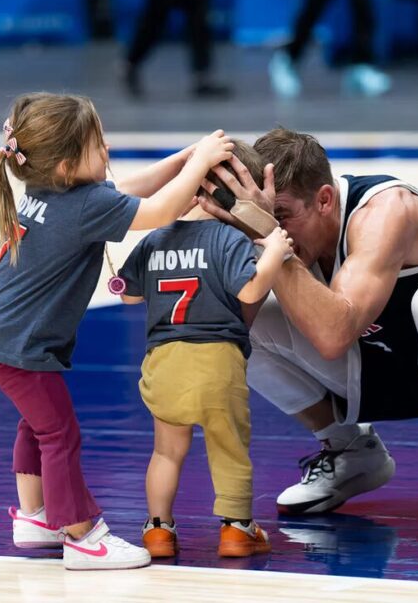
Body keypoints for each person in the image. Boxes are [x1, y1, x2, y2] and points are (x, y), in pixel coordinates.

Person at [197, 127, 418, 533]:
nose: (275, 228)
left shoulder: (387, 210)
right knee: (225, 319)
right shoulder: (286, 231)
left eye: (281, 216)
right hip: (384, 358)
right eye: (266, 216)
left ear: (325, 200)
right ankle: (350, 451)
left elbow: (334, 334)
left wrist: (268, 236)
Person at [0, 91, 235, 570]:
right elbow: (158, 212)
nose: (106, 151)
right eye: (98, 144)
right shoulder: (82, 206)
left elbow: (126, 191)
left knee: (39, 423)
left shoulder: (51, 192)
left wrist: (187, 159)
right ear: (66, 166)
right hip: (15, 345)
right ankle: (82, 536)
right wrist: (201, 163)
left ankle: (35, 516)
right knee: (60, 433)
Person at [118, 141, 293, 559]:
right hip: (217, 360)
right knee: (228, 446)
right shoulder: (229, 240)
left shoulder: (154, 240)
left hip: (163, 361)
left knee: (165, 451)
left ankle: (158, 529)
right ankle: (235, 530)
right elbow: (250, 288)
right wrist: (273, 253)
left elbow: (125, 295)